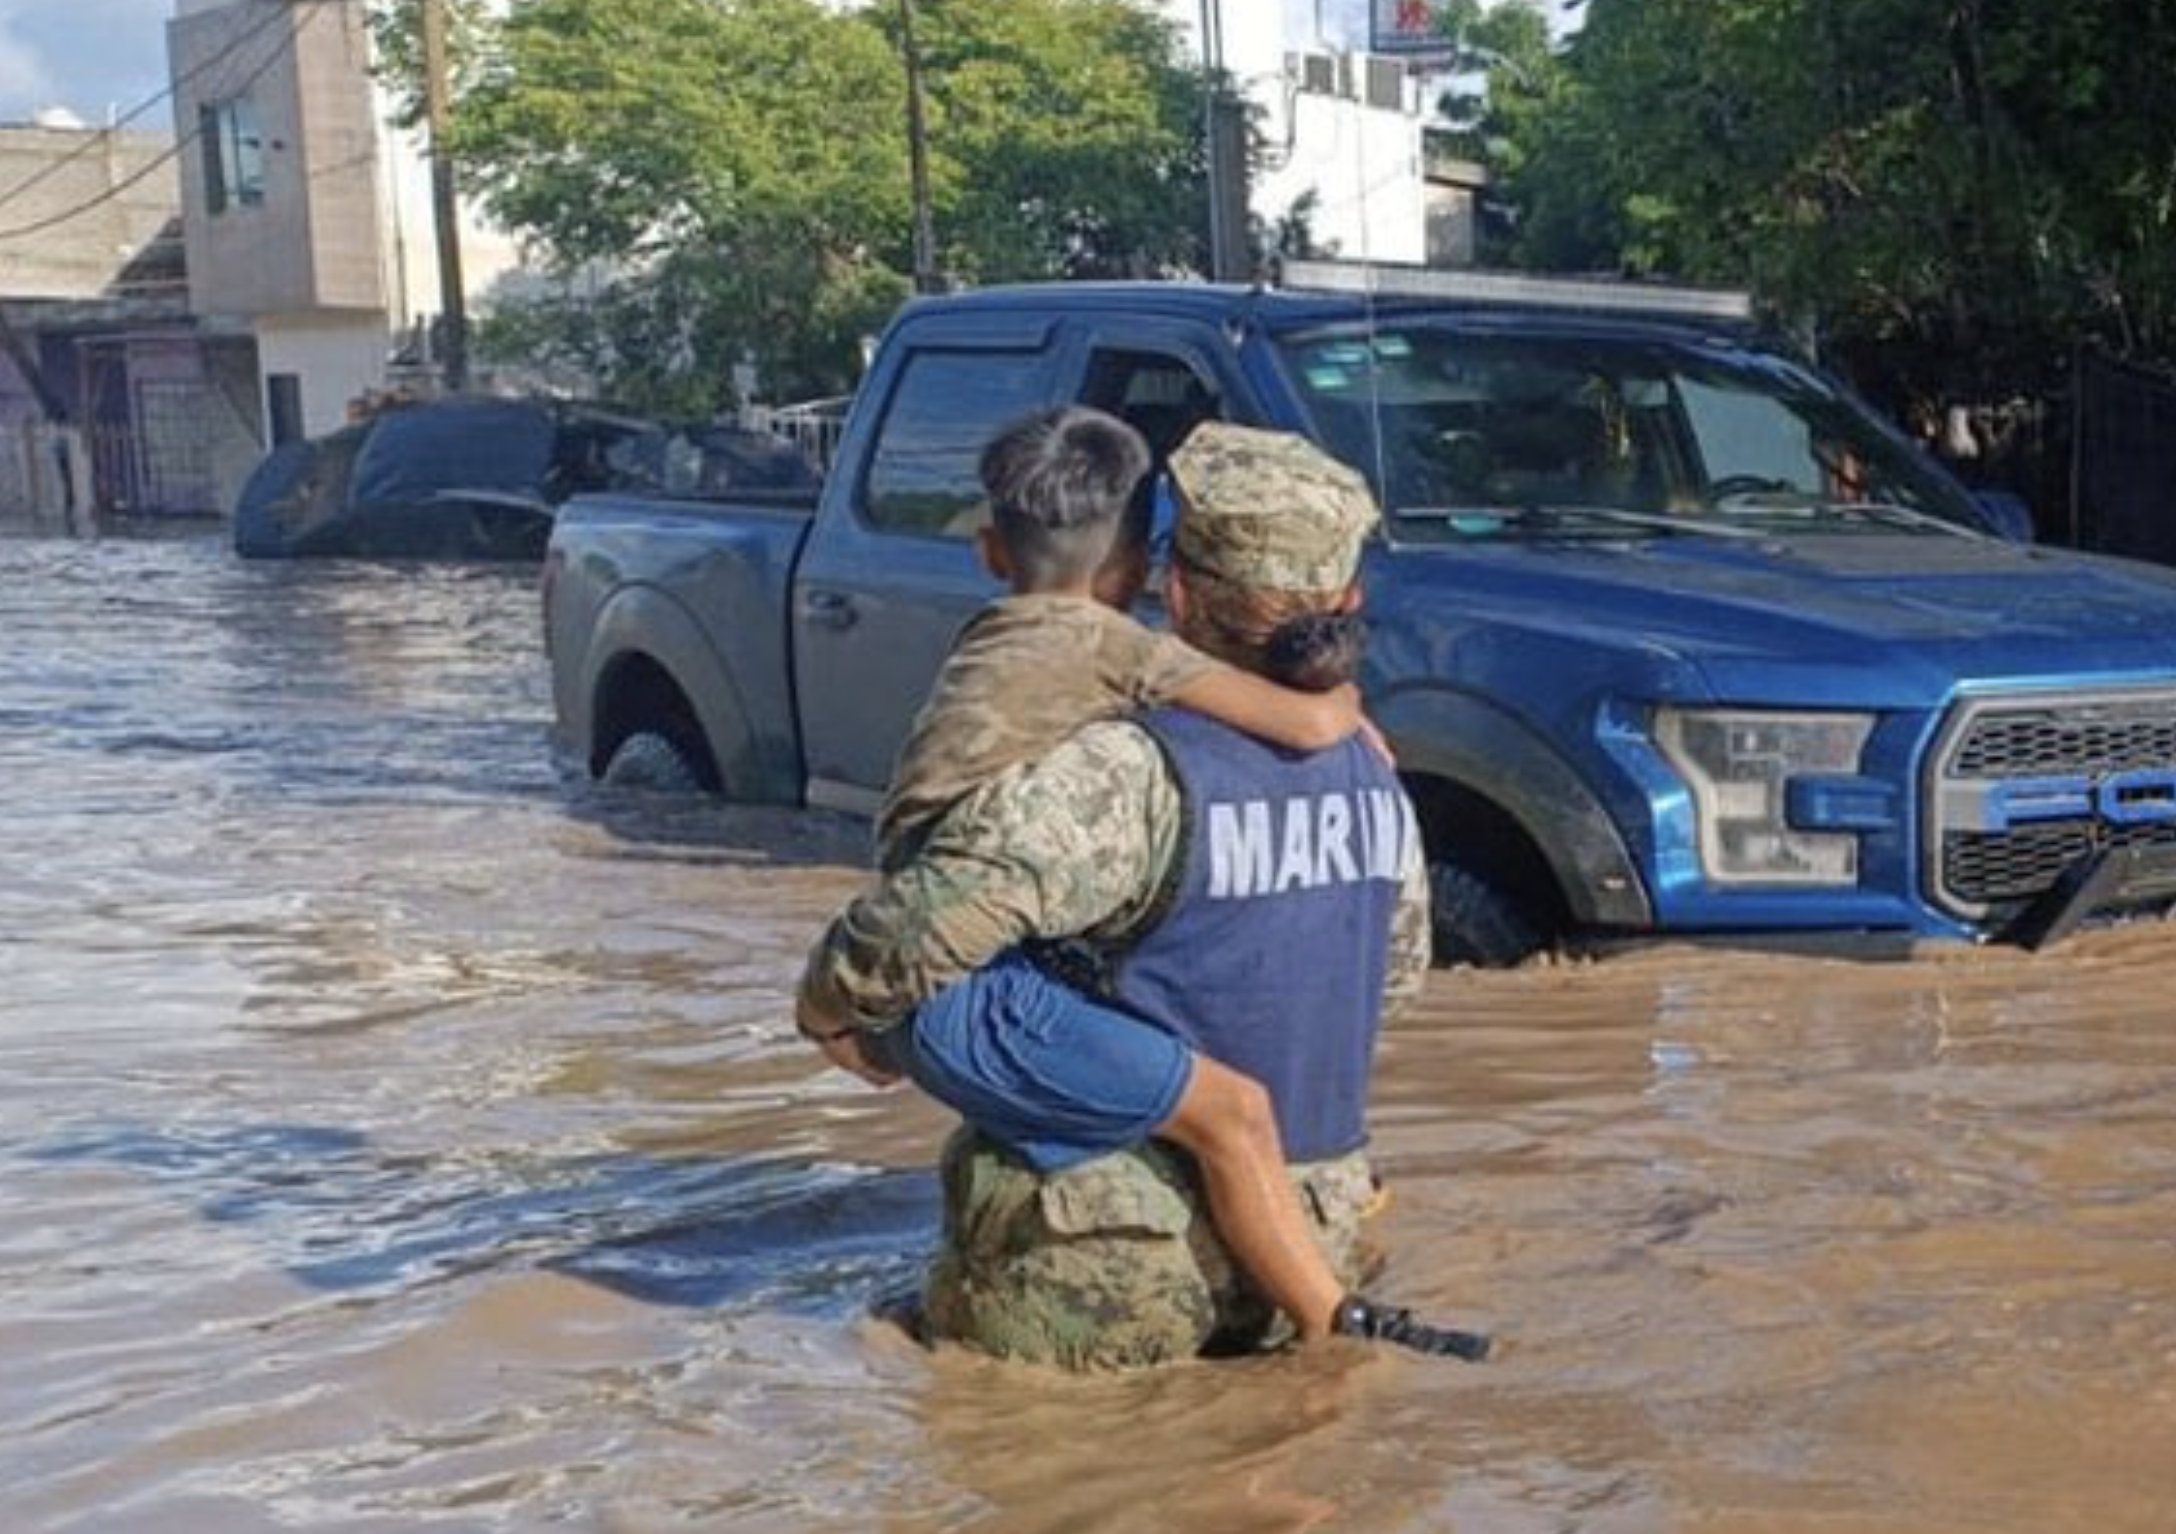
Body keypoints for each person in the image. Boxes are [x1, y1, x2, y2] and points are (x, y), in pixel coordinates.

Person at [798, 420, 1491, 1368]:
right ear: (1349, 600)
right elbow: (1391, 982)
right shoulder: (1377, 775)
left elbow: (919, 925)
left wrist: (829, 1011)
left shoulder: (1122, 770)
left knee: (985, 1436)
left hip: (1105, 1266)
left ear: (1178, 592)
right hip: (1314, 1236)